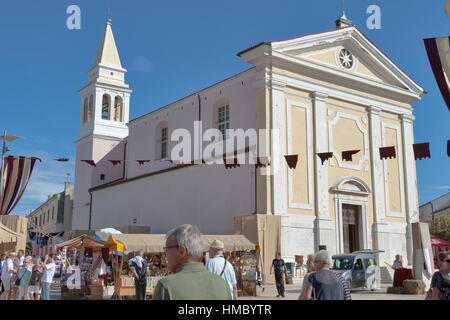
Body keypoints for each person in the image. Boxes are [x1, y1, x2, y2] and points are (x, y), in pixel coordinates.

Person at [152, 224, 231, 300]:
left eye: (166, 249)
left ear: (181, 251)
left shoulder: (166, 286)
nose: (165, 254)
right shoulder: (222, 285)